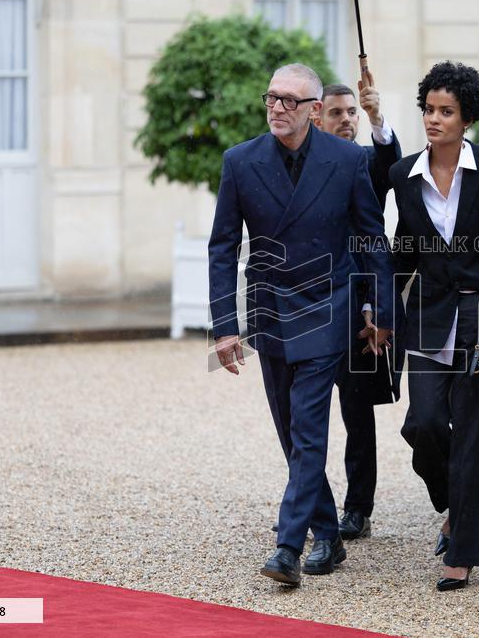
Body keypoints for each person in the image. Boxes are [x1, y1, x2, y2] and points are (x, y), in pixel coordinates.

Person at [208, 63, 395, 587]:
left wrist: (382, 312)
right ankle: (329, 535)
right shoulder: (240, 162)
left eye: (290, 101)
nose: (277, 108)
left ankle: (289, 547)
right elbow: (222, 247)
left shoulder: (348, 159)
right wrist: (226, 327)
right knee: (292, 432)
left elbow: (371, 237)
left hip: (326, 306)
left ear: (314, 110)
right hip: (269, 311)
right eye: (271, 98)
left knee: (308, 427)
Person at [389, 61, 479, 591]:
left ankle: (463, 552)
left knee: (473, 438)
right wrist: (378, 307)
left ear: (466, 118)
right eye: (428, 109)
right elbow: (404, 249)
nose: (434, 119)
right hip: (428, 317)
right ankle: (453, 503)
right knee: (422, 425)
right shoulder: (403, 176)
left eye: (445, 112)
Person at [312, 73, 403, 540]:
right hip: (309, 304)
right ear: (317, 116)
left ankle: (358, 508)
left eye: (351, 112)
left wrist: (376, 118)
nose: (346, 120)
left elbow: (391, 164)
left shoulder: (365, 161)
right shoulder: (299, 163)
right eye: (337, 113)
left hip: (357, 304)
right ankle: (308, 502)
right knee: (303, 413)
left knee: (355, 409)